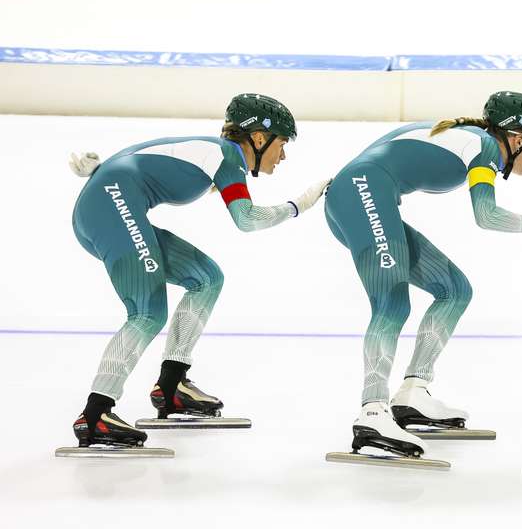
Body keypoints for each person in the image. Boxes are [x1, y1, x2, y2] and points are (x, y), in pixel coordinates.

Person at [68, 93, 330, 449]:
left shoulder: (214, 154)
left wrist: (97, 171)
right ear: (258, 138)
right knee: (147, 312)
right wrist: (299, 205)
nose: (282, 156)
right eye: (282, 144)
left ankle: (172, 385)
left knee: (206, 278)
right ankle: (96, 414)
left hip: (105, 203)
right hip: (108, 206)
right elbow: (247, 220)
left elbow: (142, 158)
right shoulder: (226, 157)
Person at [324, 91, 522, 458]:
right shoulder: (485, 147)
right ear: (517, 139)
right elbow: (486, 215)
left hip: (356, 195)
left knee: (454, 289)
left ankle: (413, 393)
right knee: (391, 303)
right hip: (360, 195)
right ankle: (373, 411)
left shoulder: (472, 139)